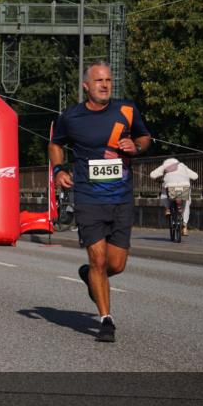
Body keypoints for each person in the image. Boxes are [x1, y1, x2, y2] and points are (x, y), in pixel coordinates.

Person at [49, 62, 151, 343]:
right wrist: (59, 171)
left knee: (115, 265)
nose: (104, 85)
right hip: (88, 197)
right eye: (98, 81)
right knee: (98, 258)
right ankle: (106, 319)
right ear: (86, 86)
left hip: (121, 197)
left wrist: (137, 147)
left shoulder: (127, 110)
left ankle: (90, 275)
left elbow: (145, 136)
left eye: (108, 80)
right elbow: (55, 144)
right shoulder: (71, 116)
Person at [150, 157, 198, 235]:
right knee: (186, 202)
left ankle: (168, 208)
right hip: (184, 186)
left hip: (170, 187)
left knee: (164, 194)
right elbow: (195, 176)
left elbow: (152, 175)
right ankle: (185, 226)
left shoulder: (165, 165)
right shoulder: (182, 165)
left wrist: (160, 176)